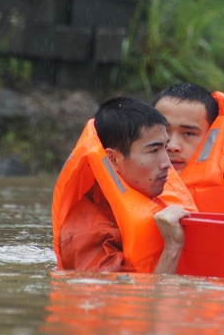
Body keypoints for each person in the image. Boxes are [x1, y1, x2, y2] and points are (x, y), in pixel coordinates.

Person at [52, 96, 197, 274]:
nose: (167, 163)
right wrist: (172, 248)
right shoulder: (88, 234)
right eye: (153, 151)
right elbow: (130, 300)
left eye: (165, 148)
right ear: (113, 159)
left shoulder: (149, 195)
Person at [153, 83, 224, 213]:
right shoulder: (128, 182)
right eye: (164, 131)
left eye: (188, 133)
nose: (172, 146)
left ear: (212, 136)